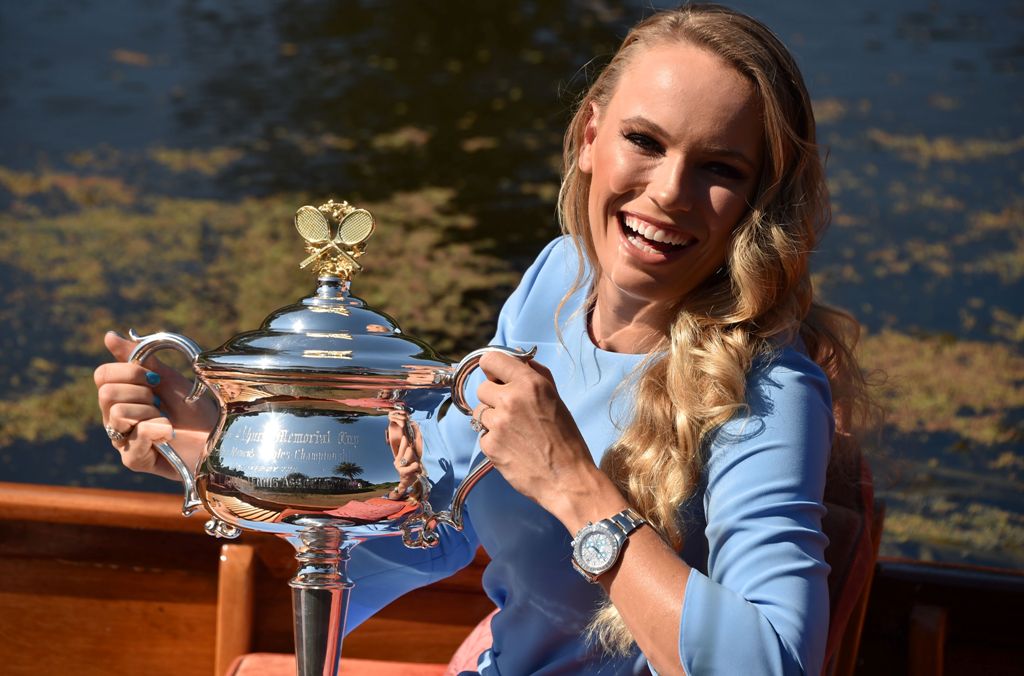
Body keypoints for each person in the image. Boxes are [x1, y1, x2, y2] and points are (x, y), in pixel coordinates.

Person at [94, 4, 873, 674]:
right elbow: (432, 515)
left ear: (758, 199)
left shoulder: (771, 393)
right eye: (645, 140)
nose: (669, 192)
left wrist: (576, 488)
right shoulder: (557, 280)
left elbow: (775, 662)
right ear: (590, 136)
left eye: (719, 169)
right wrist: (220, 450)